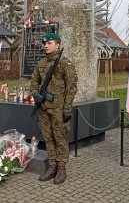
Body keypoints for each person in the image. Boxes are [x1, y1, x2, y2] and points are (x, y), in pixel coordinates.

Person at [30, 33, 78, 185]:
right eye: (45, 43)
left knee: (60, 138)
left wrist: (67, 108)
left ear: (57, 45)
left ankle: (62, 167)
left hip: (58, 109)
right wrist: (35, 94)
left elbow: (72, 87)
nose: (46, 45)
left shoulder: (65, 63)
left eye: (49, 43)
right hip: (43, 108)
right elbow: (33, 82)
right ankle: (52, 166)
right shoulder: (42, 63)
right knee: (48, 138)